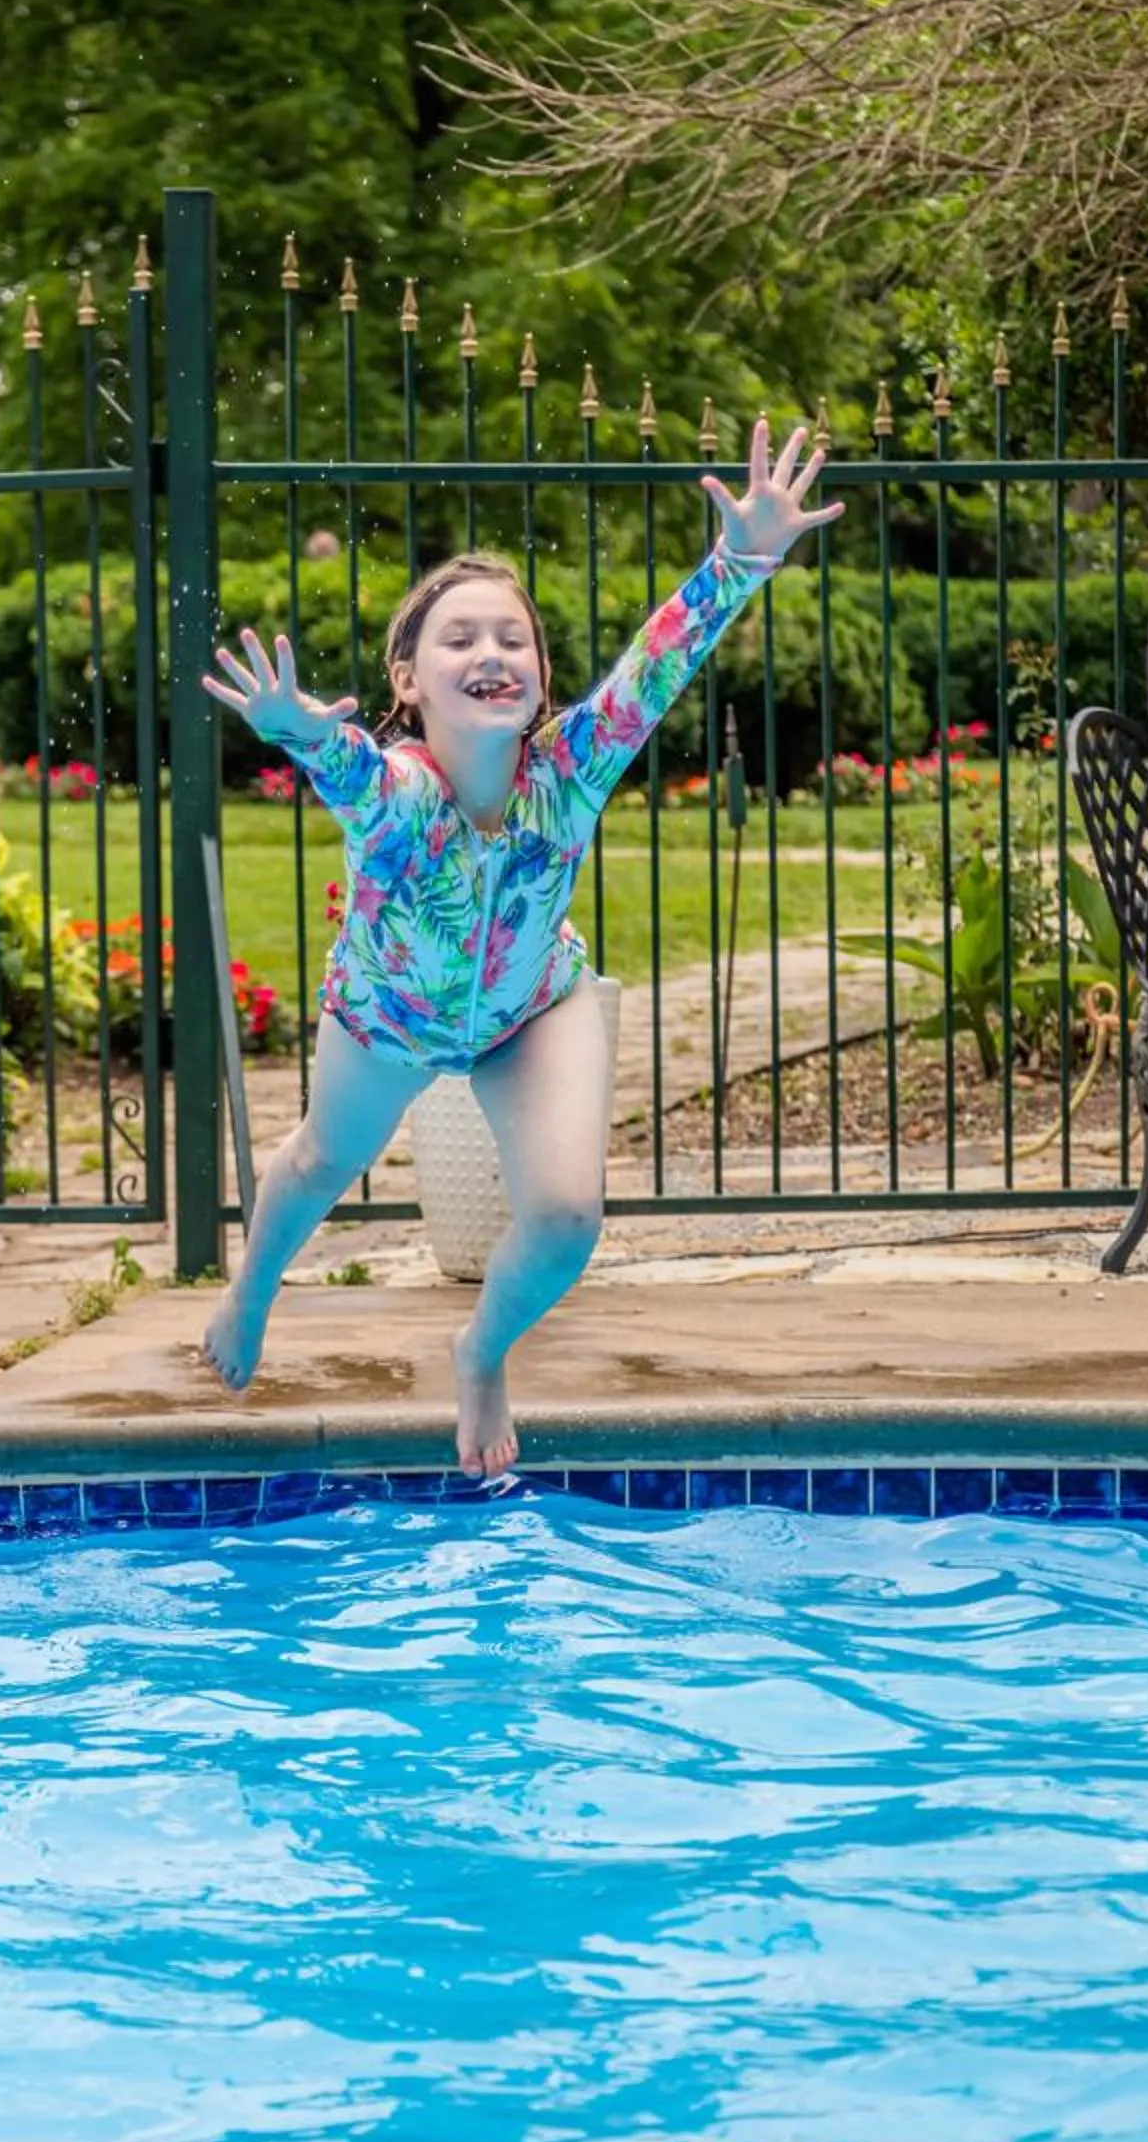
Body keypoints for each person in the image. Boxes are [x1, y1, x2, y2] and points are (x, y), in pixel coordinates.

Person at [201, 412, 843, 1477]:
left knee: (562, 1220)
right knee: (319, 1161)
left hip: (532, 1007)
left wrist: (738, 559)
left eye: (513, 640)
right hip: (389, 1019)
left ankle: (480, 1350)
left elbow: (654, 666)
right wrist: (294, 724)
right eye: (458, 640)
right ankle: (248, 1293)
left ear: (541, 677)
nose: (490, 654)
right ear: (407, 679)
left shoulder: (574, 767)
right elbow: (344, 761)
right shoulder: (397, 796)